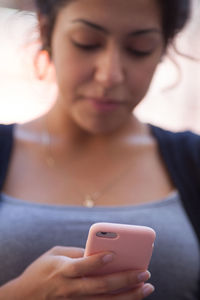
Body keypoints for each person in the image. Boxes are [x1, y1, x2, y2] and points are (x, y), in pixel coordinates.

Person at [0, 0, 199, 299]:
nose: (110, 75)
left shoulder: (192, 160)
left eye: (139, 48)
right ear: (46, 29)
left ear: (163, 49)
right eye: (87, 43)